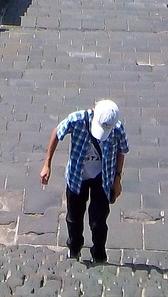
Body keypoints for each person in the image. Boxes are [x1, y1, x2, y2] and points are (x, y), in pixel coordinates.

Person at [40, 99, 128, 263]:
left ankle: (99, 254)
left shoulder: (117, 128)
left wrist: (117, 178)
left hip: (103, 178)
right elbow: (57, 133)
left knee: (99, 222)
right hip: (77, 177)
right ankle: (74, 248)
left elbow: (121, 151)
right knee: (73, 218)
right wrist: (47, 164)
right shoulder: (77, 119)